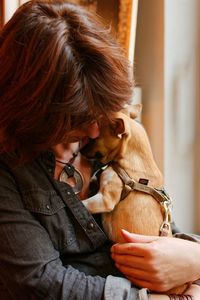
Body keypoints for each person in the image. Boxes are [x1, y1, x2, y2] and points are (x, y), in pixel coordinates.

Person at [0, 1, 200, 299]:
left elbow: (157, 221)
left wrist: (194, 259)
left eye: (96, 115)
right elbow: (39, 281)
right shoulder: (10, 169)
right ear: (34, 111)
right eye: (75, 120)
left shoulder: (109, 137)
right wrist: (153, 298)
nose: (93, 131)